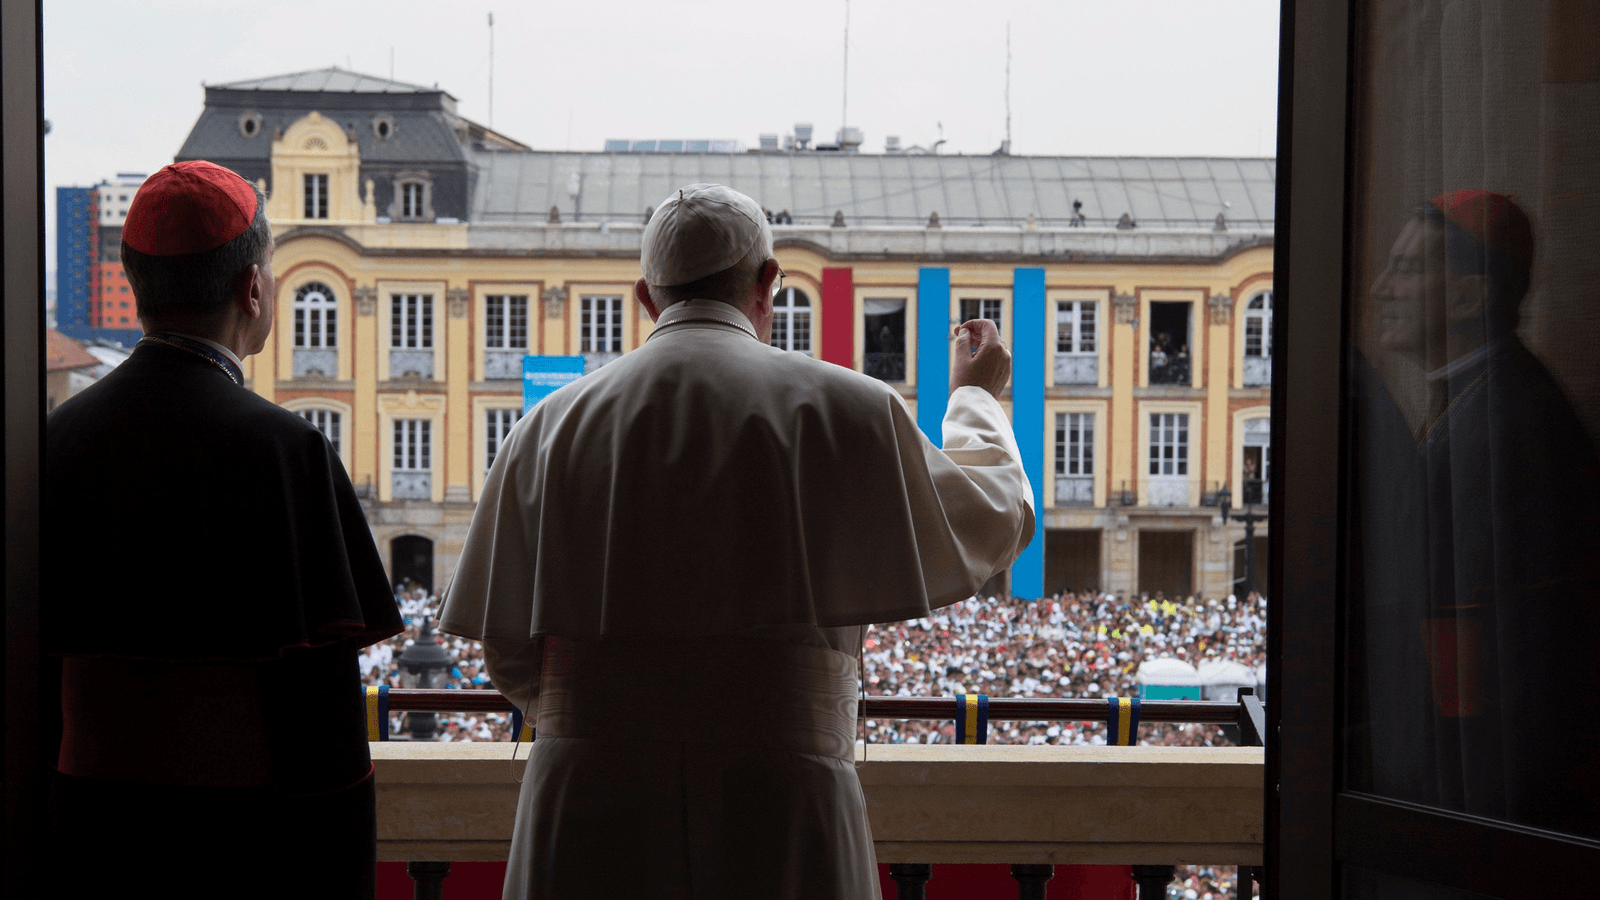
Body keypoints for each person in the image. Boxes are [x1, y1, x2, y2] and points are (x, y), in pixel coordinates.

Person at [440, 183, 1034, 899]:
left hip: (586, 795)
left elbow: (508, 648)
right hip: (785, 791)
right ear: (768, 282)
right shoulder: (850, 406)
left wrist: (613, 710)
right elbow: (993, 513)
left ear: (646, 296)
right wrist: (976, 397)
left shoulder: (545, 427)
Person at [43, 160, 403, 897]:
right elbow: (325, 717)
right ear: (253, 289)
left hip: (88, 833)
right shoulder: (286, 449)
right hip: (249, 843)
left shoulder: (57, 438)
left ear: (137, 286)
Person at [1351, 189, 1600, 838]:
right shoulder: (1486, 399)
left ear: (1468, 298)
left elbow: (1478, 643)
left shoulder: (1504, 424)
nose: (1381, 289)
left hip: (1494, 791)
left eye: (1407, 270)